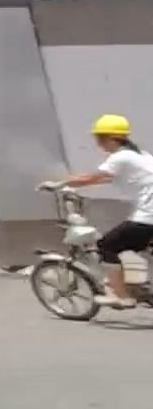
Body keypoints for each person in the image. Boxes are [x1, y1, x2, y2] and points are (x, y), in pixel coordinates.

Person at [48, 114, 153, 308]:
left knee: (107, 246)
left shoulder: (121, 157)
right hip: (148, 214)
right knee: (138, 245)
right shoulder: (140, 155)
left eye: (100, 139)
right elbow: (107, 179)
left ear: (112, 139)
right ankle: (139, 286)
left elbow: (92, 177)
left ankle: (121, 296)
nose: (99, 145)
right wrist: (76, 187)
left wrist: (60, 183)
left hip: (148, 216)